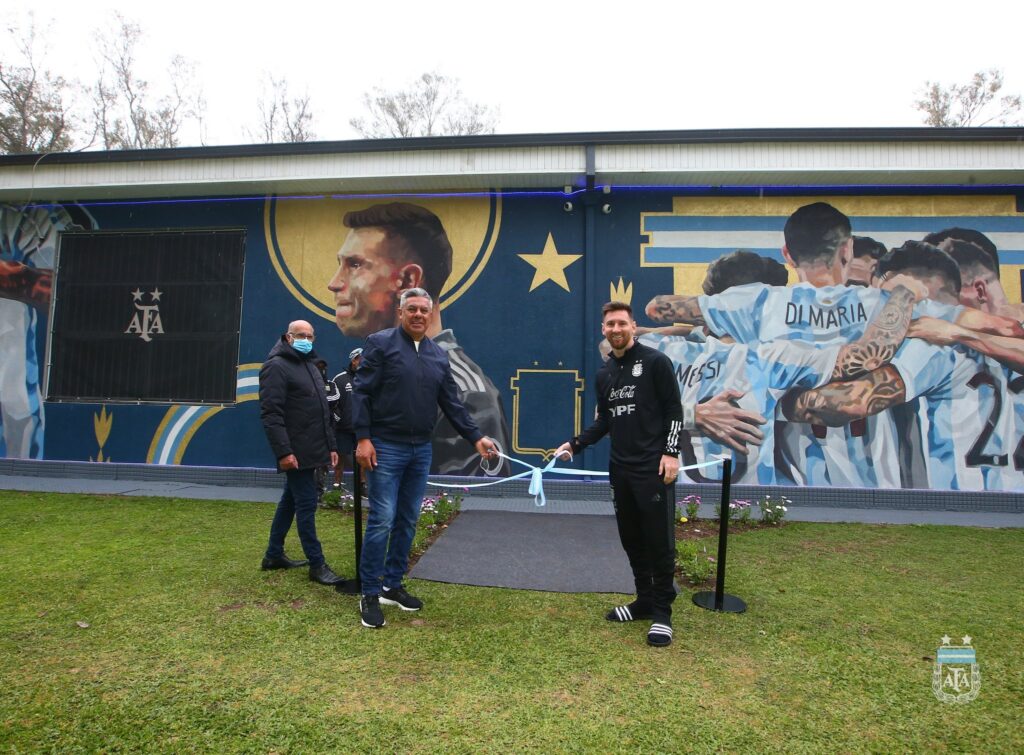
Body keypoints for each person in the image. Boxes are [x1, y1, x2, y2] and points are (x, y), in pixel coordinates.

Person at [327, 202, 510, 476]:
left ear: (409, 279)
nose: (334, 282)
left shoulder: (468, 393)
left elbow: (461, 499)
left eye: (354, 265)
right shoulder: (380, 357)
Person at [351, 288, 498, 629]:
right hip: (385, 446)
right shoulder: (380, 344)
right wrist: (363, 439)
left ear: (431, 315)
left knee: (407, 519)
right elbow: (361, 393)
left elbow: (452, 402)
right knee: (382, 519)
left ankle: (392, 585)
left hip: (421, 450)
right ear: (400, 313)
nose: (418, 315)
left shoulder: (436, 355)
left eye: (424, 310)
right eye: (412, 309)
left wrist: (476, 437)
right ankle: (370, 593)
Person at [555, 302, 682, 648]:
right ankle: (643, 601)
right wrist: (574, 444)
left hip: (653, 469)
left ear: (633, 327)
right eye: (610, 324)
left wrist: (671, 453)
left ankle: (662, 614)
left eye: (622, 323)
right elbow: (605, 421)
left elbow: (674, 411)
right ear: (604, 330)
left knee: (659, 542)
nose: (616, 329)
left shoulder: (656, 362)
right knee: (632, 539)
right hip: (621, 470)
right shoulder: (605, 373)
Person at [258, 319, 345, 584]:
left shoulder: (310, 366)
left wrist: (331, 445)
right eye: (300, 335)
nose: (306, 339)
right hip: (295, 452)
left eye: (310, 335)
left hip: (314, 449)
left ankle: (273, 555)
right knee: (306, 504)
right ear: (288, 337)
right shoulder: (276, 367)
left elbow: (323, 412)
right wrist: (284, 452)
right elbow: (272, 414)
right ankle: (317, 565)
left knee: (290, 501)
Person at [331, 347, 361, 491]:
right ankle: (336, 485)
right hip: (343, 428)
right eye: (357, 358)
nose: (360, 361)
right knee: (340, 457)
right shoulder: (340, 378)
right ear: (352, 360)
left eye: (362, 358)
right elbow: (332, 400)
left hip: (362, 428)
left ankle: (362, 486)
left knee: (362, 457)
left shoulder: (369, 377)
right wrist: (338, 417)